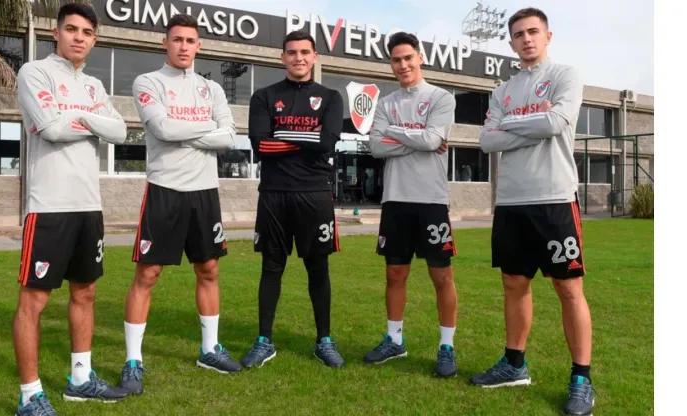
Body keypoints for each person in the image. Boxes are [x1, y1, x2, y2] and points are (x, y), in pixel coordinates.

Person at [472, 7, 594, 416]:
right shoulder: (502, 91)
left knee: (568, 288)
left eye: (533, 32)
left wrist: (511, 128)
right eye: (519, 34)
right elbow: (487, 141)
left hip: (555, 198)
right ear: (511, 43)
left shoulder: (565, 76)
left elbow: (556, 123)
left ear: (547, 36)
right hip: (511, 201)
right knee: (513, 285)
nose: (526, 39)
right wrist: (522, 125)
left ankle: (580, 379)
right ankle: (514, 365)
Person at [13, 3, 129, 415]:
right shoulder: (34, 73)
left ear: (94, 39)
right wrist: (90, 119)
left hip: (88, 206)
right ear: (56, 33)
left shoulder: (95, 86)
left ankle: (80, 379)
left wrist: (76, 115)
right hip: (49, 207)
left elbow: (121, 130)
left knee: (87, 292)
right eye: (72, 29)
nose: (79, 37)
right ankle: (29, 397)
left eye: (87, 32)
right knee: (34, 302)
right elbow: (51, 127)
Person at [119, 13, 241, 393]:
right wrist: (208, 128)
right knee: (148, 275)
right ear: (165, 43)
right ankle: (133, 361)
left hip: (205, 192)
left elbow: (230, 138)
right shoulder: (148, 82)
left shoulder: (211, 89)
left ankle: (209, 349)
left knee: (208, 270)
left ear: (198, 46)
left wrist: (187, 131)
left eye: (190, 40)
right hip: (164, 190)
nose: (184, 46)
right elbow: (162, 129)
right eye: (177, 39)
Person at [240, 31, 345, 368]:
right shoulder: (264, 96)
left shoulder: (330, 97)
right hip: (273, 194)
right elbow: (260, 144)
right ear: (281, 57)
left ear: (314, 57)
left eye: (304, 52)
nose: (298, 58)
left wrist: (283, 137)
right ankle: (263, 340)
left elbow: (328, 142)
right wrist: (307, 140)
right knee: (271, 267)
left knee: (318, 268)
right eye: (291, 52)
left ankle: (324, 340)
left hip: (314, 194)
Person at [364, 32, 459, 377]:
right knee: (394, 273)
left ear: (420, 57)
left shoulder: (441, 97)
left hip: (432, 201)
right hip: (395, 200)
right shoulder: (387, 103)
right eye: (395, 60)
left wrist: (399, 134)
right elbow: (375, 147)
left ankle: (446, 347)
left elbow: (434, 138)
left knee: (442, 276)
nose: (402, 65)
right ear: (390, 64)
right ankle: (394, 340)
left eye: (408, 58)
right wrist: (418, 140)